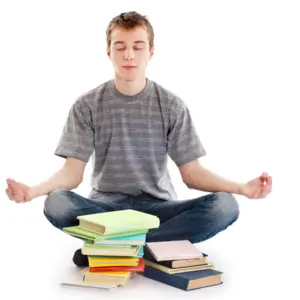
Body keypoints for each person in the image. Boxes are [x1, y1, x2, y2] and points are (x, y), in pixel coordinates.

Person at [5, 11, 272, 267]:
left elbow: (192, 174)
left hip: (159, 209)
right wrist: (33, 192)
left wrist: (242, 188)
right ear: (108, 52)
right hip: (106, 210)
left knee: (225, 205)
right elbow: (71, 174)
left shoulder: (171, 106)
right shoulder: (86, 105)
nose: (129, 54)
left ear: (151, 52)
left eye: (138, 46)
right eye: (120, 46)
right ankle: (161, 246)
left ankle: (114, 248)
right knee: (57, 201)